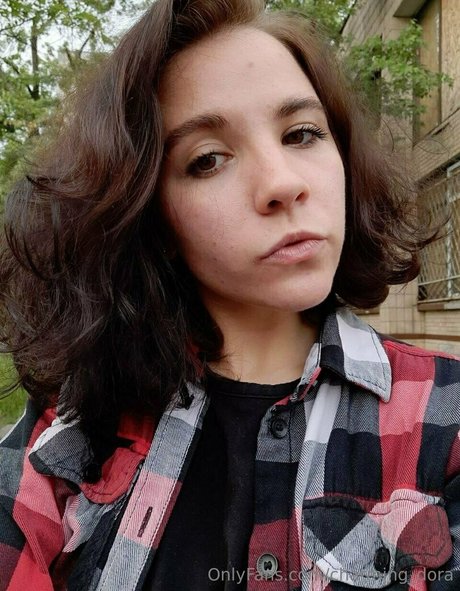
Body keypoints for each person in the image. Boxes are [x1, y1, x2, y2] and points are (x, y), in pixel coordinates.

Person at [0, 0, 459, 589]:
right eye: (208, 160)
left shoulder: (445, 417)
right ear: (153, 217)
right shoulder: (72, 426)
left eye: (301, 134)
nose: (282, 183)